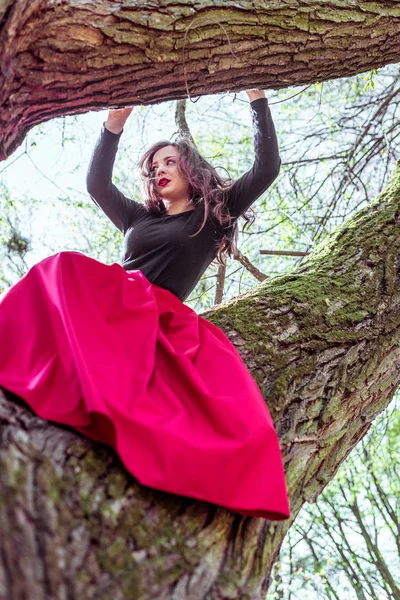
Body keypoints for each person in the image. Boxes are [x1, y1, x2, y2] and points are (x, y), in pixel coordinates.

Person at [0, 90, 290, 520]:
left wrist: (258, 99)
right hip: (114, 298)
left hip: (160, 312)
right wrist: (112, 125)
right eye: (154, 168)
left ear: (192, 169)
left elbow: (266, 168)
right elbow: (97, 185)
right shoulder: (140, 219)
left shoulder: (215, 214)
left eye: (170, 162)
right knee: (60, 267)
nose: (160, 171)